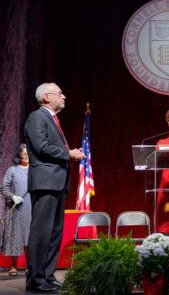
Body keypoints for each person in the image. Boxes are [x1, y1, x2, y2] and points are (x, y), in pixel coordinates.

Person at [24, 83, 85, 293]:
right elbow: (41, 146)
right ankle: (36, 278)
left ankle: (48, 276)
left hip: (57, 183)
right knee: (42, 231)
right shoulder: (37, 117)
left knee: (54, 232)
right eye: (60, 93)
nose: (64, 96)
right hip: (45, 182)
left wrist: (68, 153)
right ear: (47, 97)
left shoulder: (52, 119)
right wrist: (69, 153)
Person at [1, 144, 31, 276]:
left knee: (29, 237)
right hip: (16, 207)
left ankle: (30, 266)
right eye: (23, 154)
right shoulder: (12, 170)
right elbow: (4, 188)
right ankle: (13, 265)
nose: (26, 156)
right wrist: (12, 196)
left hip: (31, 207)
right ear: (19, 155)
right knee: (15, 236)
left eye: (28, 154)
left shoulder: (34, 170)